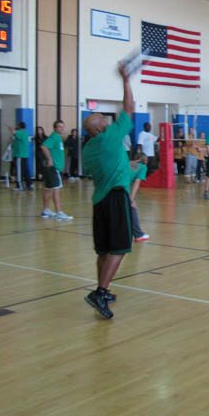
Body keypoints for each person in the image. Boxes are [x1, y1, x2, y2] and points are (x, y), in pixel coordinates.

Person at [81, 63, 136, 319]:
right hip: (115, 198)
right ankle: (101, 293)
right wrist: (125, 80)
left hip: (99, 201)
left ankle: (102, 288)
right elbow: (129, 109)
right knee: (120, 248)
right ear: (99, 128)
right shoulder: (111, 136)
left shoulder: (89, 149)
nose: (106, 118)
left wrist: (128, 165)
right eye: (102, 119)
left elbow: (110, 164)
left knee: (103, 249)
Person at [40, 120, 73, 220]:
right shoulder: (54, 137)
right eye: (59, 127)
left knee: (48, 189)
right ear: (55, 128)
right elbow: (44, 146)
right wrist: (50, 159)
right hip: (54, 168)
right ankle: (59, 212)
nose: (61, 128)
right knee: (56, 189)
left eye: (62, 127)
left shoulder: (58, 138)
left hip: (53, 168)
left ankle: (46, 210)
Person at [129, 154, 150, 242]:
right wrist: (131, 199)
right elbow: (137, 183)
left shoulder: (130, 164)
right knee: (132, 208)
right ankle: (138, 235)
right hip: (121, 186)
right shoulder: (143, 167)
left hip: (112, 185)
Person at [7, 122, 33, 190]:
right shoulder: (24, 133)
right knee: (25, 170)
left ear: (19, 126)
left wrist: (10, 128)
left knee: (19, 170)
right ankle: (29, 184)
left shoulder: (21, 132)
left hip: (20, 155)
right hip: (24, 155)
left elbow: (13, 132)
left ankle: (19, 185)